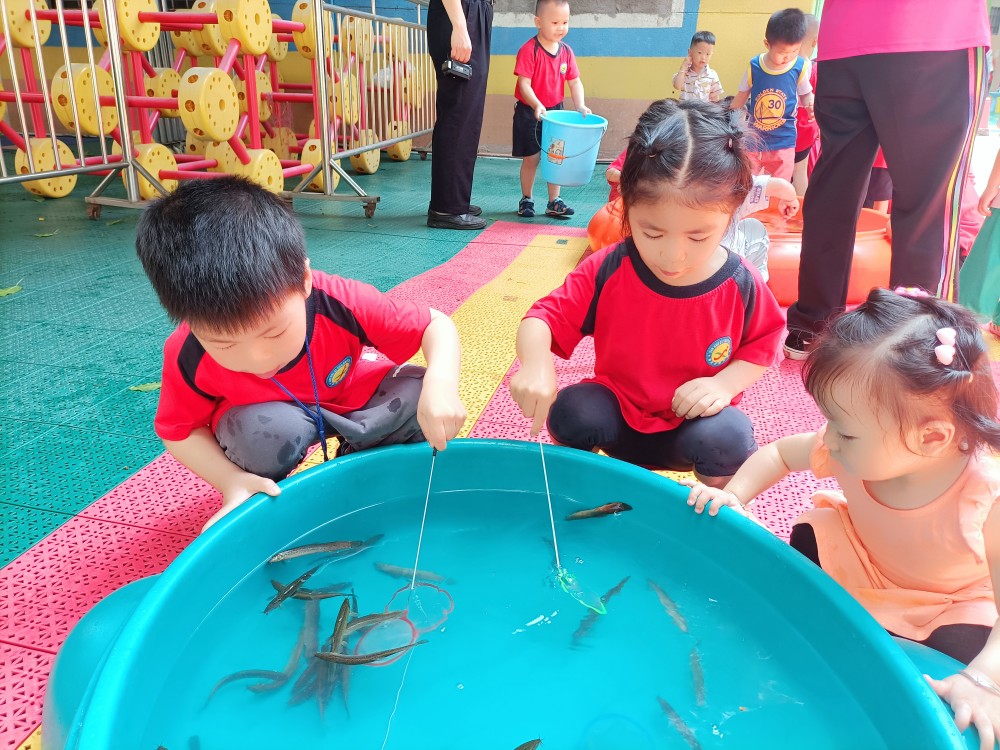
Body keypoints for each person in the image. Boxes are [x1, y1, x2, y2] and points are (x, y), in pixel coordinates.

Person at [686, 289, 1000, 743]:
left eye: (846, 431)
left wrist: (984, 678)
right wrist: (735, 496)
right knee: (809, 537)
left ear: (931, 438)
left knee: (962, 658)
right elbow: (779, 454)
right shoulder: (847, 446)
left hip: (946, 602)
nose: (829, 439)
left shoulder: (985, 495)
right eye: (830, 421)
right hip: (860, 561)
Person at [136, 178, 468, 530]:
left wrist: (442, 385)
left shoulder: (341, 301)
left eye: (274, 332)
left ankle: (358, 464)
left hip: (352, 398)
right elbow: (179, 430)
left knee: (419, 394)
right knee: (257, 439)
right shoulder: (186, 352)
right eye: (225, 345)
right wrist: (229, 480)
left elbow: (435, 325)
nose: (259, 359)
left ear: (305, 279)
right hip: (266, 422)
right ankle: (260, 485)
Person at [510, 98, 785, 487]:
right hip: (616, 419)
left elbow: (761, 346)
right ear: (625, 205)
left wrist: (723, 385)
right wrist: (536, 365)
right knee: (572, 411)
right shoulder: (609, 268)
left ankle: (721, 506)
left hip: (692, 427)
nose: (673, 256)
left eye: (698, 236)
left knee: (730, 437)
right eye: (652, 233)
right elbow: (542, 319)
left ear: (733, 210)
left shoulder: (741, 283)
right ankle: (576, 490)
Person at [783, 0, 990, 359]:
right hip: (934, 32)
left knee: (834, 189)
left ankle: (811, 324)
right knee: (928, 201)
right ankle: (919, 342)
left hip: (844, 39)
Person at [513, 0, 590, 219]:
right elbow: (524, 84)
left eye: (565, 22)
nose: (561, 27)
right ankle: (526, 198)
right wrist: (537, 104)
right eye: (555, 22)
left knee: (556, 157)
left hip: (556, 113)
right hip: (530, 111)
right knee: (532, 158)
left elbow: (574, 82)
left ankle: (554, 201)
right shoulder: (529, 50)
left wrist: (580, 104)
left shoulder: (566, 52)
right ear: (538, 22)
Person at [426, 0, 493, 230]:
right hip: (462, 12)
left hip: (472, 12)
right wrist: (460, 26)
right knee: (459, 112)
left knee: (466, 113)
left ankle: (452, 199)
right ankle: (447, 208)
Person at [730, 8, 814, 181]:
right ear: (767, 44)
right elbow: (741, 96)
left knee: (780, 183)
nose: (789, 57)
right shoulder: (755, 66)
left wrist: (810, 105)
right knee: (749, 182)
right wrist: (728, 118)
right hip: (754, 140)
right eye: (783, 53)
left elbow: (806, 94)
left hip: (784, 140)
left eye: (795, 51)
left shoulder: (799, 67)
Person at [723, 172, 799, 281]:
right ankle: (758, 280)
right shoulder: (734, 187)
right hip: (731, 272)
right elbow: (782, 187)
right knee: (755, 227)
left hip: (702, 268)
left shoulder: (700, 188)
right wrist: (791, 201)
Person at [791, 13, 819, 196]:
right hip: (807, 127)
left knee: (783, 171)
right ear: (815, 42)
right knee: (800, 171)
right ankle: (801, 209)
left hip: (790, 125)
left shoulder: (787, 66)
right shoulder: (813, 68)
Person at [671, 30, 724, 103]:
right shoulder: (684, 72)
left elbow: (715, 99)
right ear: (690, 52)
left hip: (703, 110)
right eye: (700, 53)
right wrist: (683, 67)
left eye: (708, 54)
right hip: (685, 109)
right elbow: (677, 86)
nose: (703, 57)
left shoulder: (712, 75)